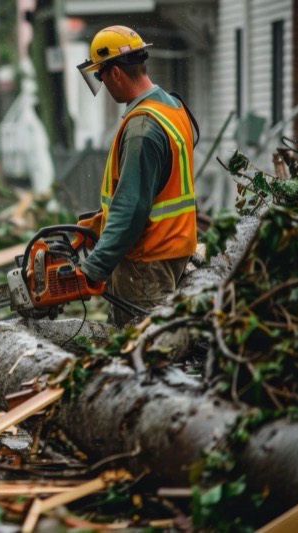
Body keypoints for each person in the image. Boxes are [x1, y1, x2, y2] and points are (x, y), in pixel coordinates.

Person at [75, 25, 199, 326]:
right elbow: (155, 189)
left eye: (101, 75)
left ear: (115, 73)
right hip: (172, 248)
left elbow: (133, 207)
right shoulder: (171, 107)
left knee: (141, 352)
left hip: (145, 263)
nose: (102, 83)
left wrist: (95, 267)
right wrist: (99, 225)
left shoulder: (141, 127)